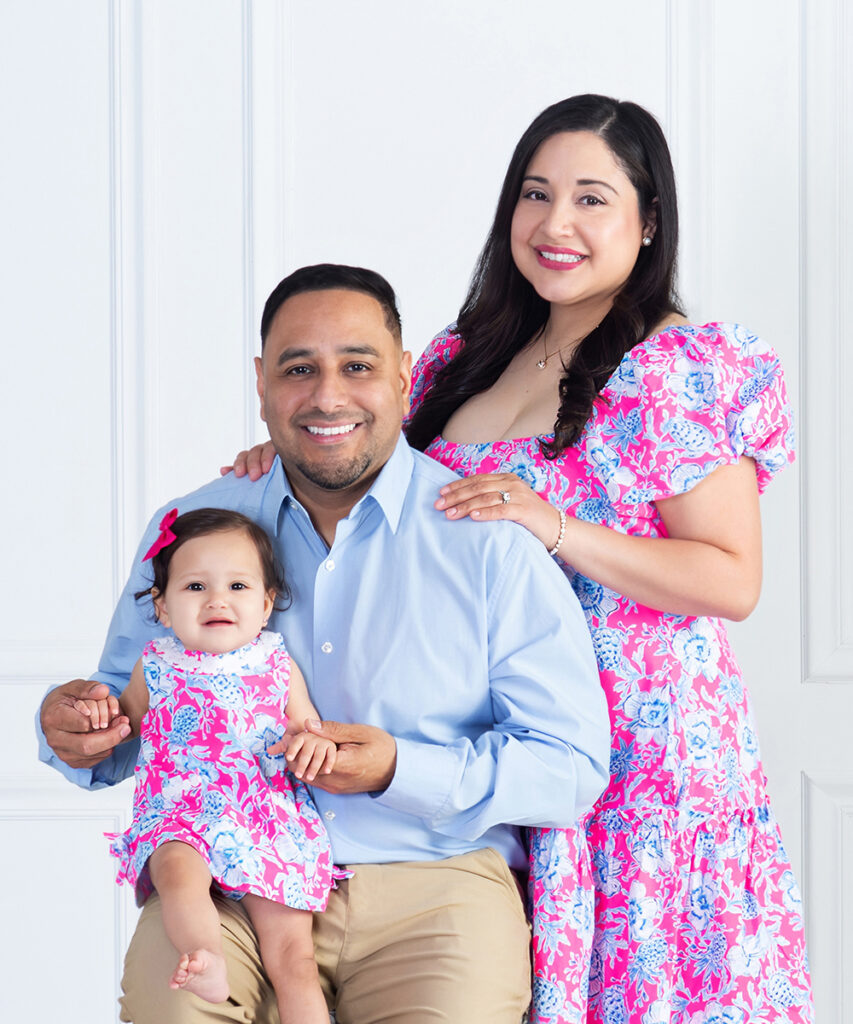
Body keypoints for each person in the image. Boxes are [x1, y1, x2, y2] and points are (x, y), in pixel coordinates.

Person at [230, 97, 814, 1022]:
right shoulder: (463, 360)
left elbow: (730, 579)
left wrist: (557, 529)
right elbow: (380, 476)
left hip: (638, 748)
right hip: (489, 726)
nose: (555, 225)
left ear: (647, 219)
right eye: (535, 195)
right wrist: (285, 463)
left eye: (592, 199)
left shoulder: (673, 367)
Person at [38, 264, 610, 1024]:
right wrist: (75, 725)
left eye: (358, 367)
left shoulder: (489, 543)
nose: (327, 396)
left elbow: (570, 766)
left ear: (405, 376)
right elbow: (126, 703)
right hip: (224, 887)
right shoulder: (193, 527)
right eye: (298, 369)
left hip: (434, 886)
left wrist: (397, 770)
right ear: (261, 381)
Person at [74, 508, 340, 1022]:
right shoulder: (155, 664)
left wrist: (314, 746)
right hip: (181, 813)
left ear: (265, 606)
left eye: (237, 586)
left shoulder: (276, 664)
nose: (218, 599)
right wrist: (97, 712)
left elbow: (310, 730)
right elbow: (123, 720)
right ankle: (206, 955)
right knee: (175, 872)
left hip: (264, 817)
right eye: (195, 587)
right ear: (163, 608)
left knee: (294, 957)